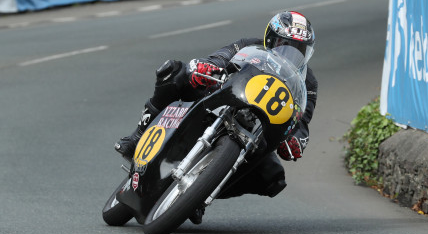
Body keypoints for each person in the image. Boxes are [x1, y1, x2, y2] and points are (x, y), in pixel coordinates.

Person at [113, 11, 318, 205]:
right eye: (283, 45)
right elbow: (222, 56)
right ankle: (138, 136)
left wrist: (296, 140)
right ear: (270, 39)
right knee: (174, 71)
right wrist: (208, 66)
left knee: (274, 178)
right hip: (222, 98)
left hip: (258, 131)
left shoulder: (307, 83)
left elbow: (302, 120)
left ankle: (200, 195)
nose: (289, 55)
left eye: (298, 51)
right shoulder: (250, 45)